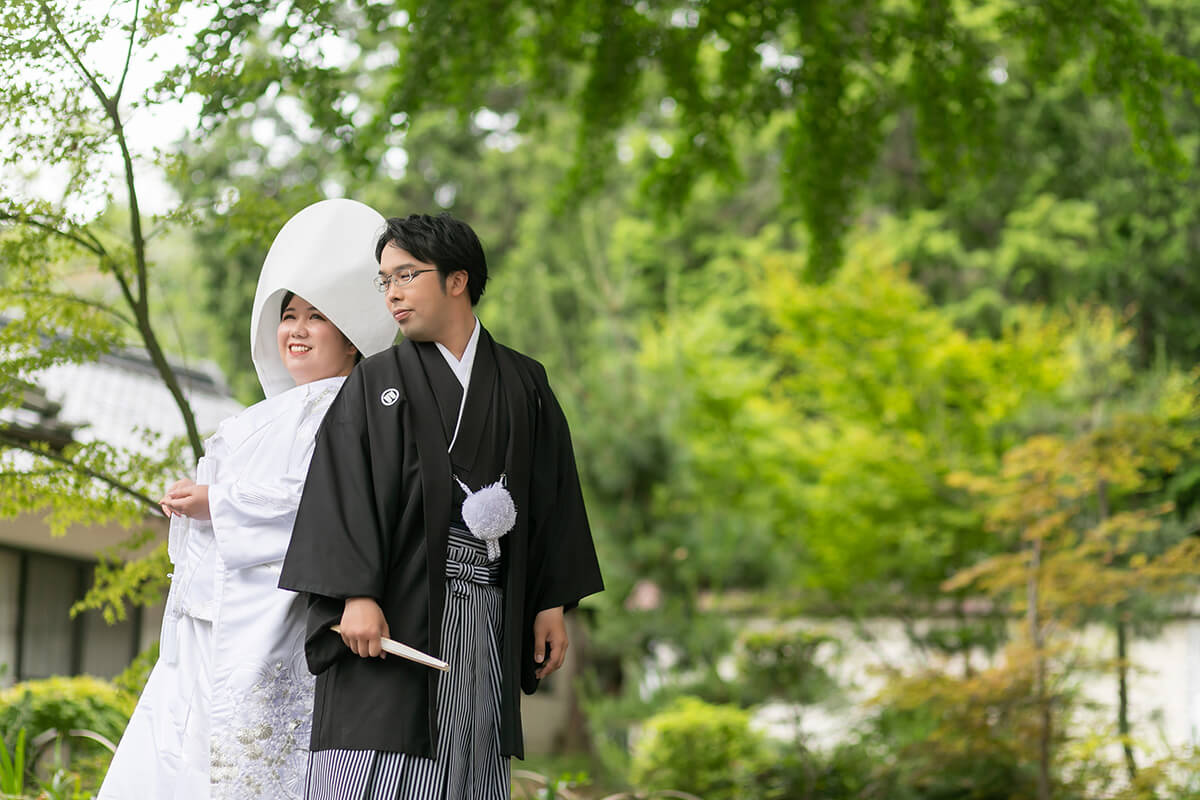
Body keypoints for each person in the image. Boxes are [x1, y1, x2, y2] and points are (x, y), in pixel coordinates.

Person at [278, 212, 604, 800]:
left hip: (490, 610)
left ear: (458, 280)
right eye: (384, 281)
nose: (392, 294)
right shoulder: (375, 382)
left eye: (406, 275)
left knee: (473, 754)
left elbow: (554, 495)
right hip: (394, 611)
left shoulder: (525, 382)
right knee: (381, 757)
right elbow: (341, 491)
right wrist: (353, 594)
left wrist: (550, 603)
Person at [98, 199, 398, 800]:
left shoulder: (354, 413)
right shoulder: (266, 415)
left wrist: (218, 502)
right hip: (207, 619)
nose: (297, 329)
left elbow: (324, 504)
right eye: (288, 315)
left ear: (352, 335)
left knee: (245, 762)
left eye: (317, 316)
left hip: (268, 620)